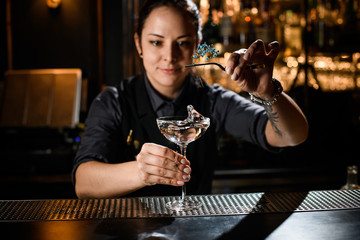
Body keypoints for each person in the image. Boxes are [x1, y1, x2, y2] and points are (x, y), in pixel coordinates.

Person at [73, 0, 308, 199]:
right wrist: (140, 172)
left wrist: (268, 93)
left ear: (196, 45)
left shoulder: (213, 100)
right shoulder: (114, 101)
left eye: (183, 43)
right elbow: (83, 183)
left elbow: (291, 136)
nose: (169, 56)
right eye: (156, 42)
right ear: (138, 44)